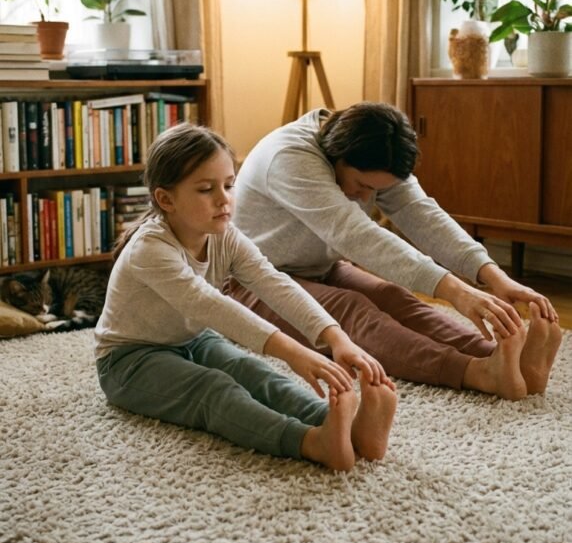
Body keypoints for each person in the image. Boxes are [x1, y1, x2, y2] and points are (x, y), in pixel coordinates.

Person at [94, 122, 398, 473]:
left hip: (193, 339)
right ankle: (309, 441)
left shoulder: (225, 235)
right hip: (129, 360)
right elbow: (210, 304)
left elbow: (273, 283)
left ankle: (341, 425)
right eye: (206, 189)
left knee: (252, 370)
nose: (224, 199)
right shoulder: (149, 249)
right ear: (166, 199)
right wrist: (296, 353)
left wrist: (335, 337)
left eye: (228, 185)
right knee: (213, 388)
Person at [229, 102, 562, 400]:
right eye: (362, 186)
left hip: (317, 267)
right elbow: (356, 236)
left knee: (393, 296)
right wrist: (456, 292)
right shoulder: (289, 157)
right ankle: (476, 373)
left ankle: (498, 358)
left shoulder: (375, 152)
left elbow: (423, 216)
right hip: (250, 281)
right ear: (336, 155)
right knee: (351, 310)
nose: (363, 198)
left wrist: (493, 276)